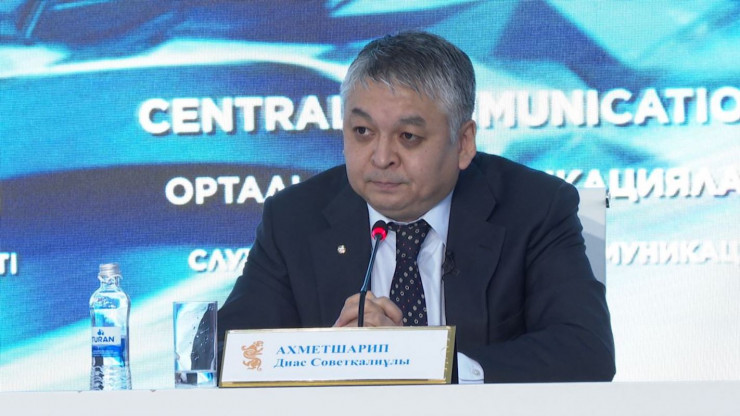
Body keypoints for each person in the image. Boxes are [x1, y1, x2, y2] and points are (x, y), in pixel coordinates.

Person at [217, 31, 615, 383]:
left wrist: (422, 362)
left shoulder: (537, 208)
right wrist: (328, 355)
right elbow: (224, 353)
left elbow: (586, 351)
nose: (381, 157)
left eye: (408, 136)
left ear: (463, 143)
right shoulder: (294, 218)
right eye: (362, 132)